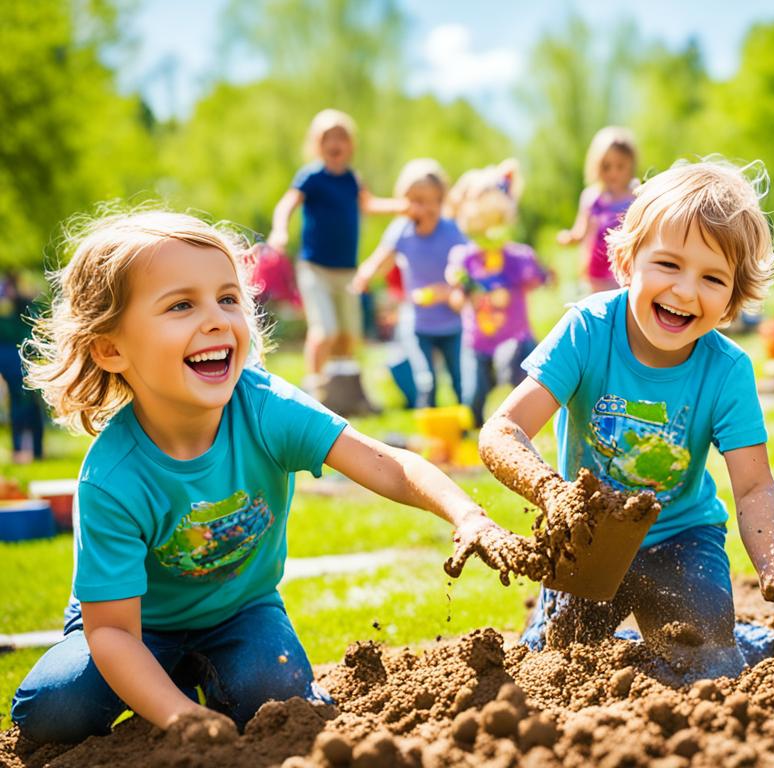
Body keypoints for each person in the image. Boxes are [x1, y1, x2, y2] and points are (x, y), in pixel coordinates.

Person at [10, 210, 513, 744]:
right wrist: (178, 716)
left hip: (241, 613)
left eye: (228, 299)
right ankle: (176, 688)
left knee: (277, 687)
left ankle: (208, 678)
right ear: (111, 348)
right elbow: (111, 632)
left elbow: (388, 463)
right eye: (182, 304)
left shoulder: (267, 410)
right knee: (53, 711)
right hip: (135, 629)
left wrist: (467, 514)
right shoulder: (112, 477)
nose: (216, 320)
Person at [470, 161, 774, 679]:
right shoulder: (587, 330)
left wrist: (773, 568)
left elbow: (754, 485)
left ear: (733, 300)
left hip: (683, 538)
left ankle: (750, 640)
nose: (685, 292)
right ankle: (569, 629)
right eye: (668, 265)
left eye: (712, 277)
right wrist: (551, 493)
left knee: (708, 661)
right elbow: (501, 432)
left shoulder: (728, 369)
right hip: (592, 538)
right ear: (628, 262)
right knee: (555, 665)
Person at [267, 109, 404, 412]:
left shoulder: (352, 179)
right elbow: (287, 203)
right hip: (315, 267)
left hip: (347, 270)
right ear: (317, 144)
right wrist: (279, 230)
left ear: (350, 144)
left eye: (341, 136)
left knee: (348, 335)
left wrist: (406, 206)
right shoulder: (312, 176)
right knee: (324, 330)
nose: (335, 142)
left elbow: (370, 205)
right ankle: (312, 390)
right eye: (328, 136)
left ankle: (344, 393)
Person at [351, 158, 468, 407]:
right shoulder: (401, 230)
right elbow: (381, 257)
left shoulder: (452, 231)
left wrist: (451, 291)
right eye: (415, 201)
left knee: (460, 380)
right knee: (426, 380)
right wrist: (365, 274)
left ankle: (466, 430)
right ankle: (430, 431)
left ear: (441, 201)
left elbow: (470, 267)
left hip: (451, 322)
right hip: (417, 322)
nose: (422, 209)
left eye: (430, 203)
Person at [443, 160, 547, 429]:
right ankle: (477, 435)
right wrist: (467, 296)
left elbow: (536, 280)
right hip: (477, 342)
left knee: (523, 385)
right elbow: (455, 299)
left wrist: (532, 273)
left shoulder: (517, 256)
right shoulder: (464, 258)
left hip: (515, 339)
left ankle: (522, 429)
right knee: (473, 397)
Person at [557, 127, 640, 295]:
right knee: (601, 313)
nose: (613, 173)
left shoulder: (636, 195)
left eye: (620, 166)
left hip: (628, 270)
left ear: (630, 165)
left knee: (624, 312)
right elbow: (581, 232)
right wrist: (569, 238)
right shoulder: (592, 197)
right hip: (596, 272)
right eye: (606, 166)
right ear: (596, 166)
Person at [0, 270, 45, 464]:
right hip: (12, 357)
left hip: (29, 354)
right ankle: (21, 449)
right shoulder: (7, 304)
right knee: (20, 402)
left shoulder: (24, 302)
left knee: (33, 404)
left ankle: (35, 450)